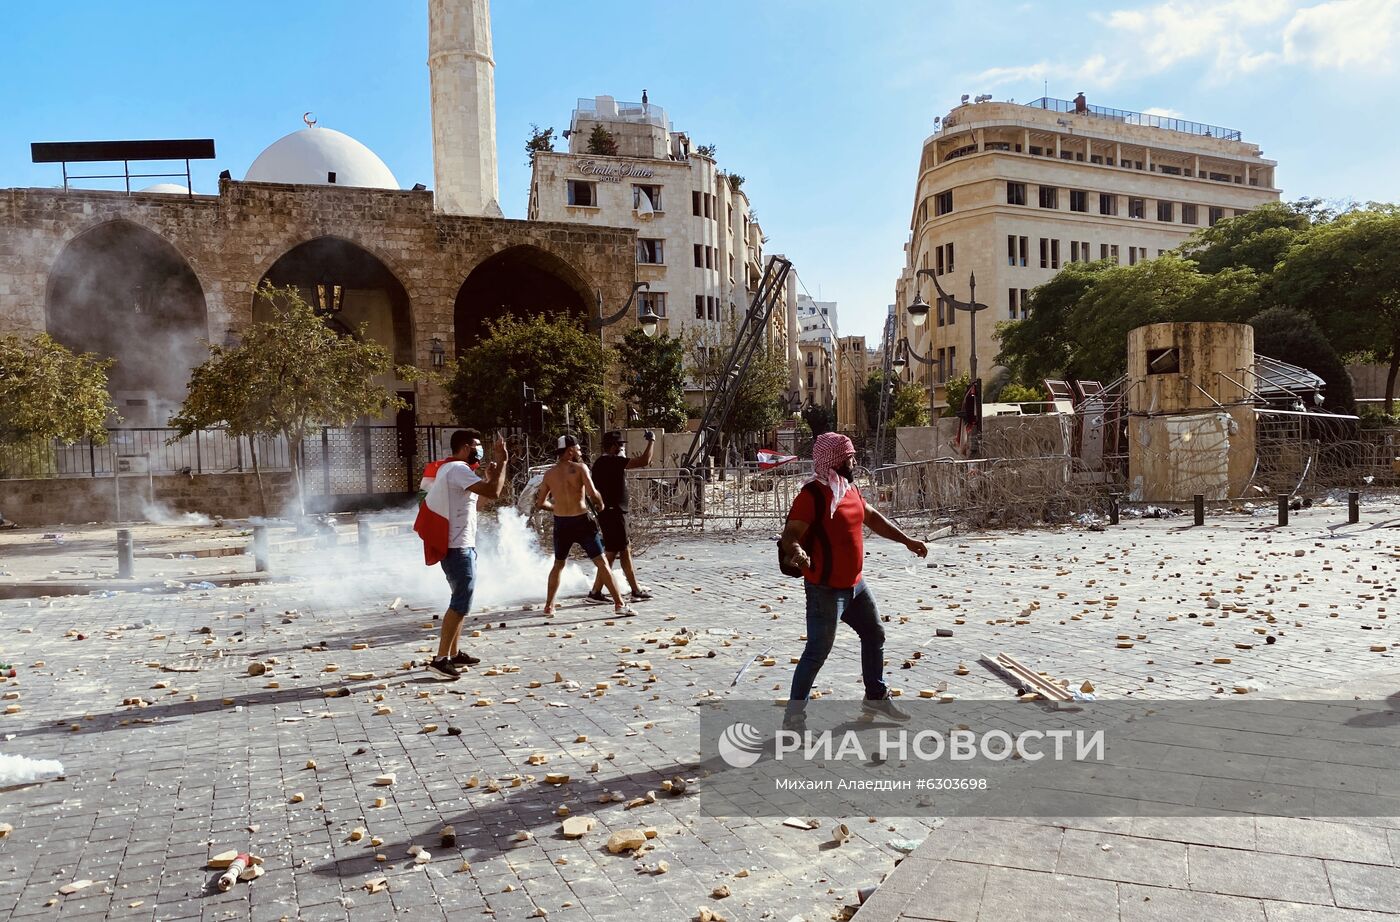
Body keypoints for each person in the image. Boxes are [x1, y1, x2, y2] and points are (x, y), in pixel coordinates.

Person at [777, 432, 927, 730]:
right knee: (817, 652)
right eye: (849, 457)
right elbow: (789, 535)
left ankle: (875, 696)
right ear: (834, 461)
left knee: (874, 634)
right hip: (825, 589)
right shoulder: (812, 496)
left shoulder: (849, 489)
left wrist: (906, 540)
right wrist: (798, 553)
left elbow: (872, 518)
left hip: (855, 586)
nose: (854, 461)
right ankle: (794, 718)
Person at [414, 429, 508, 681]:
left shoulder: (452, 470)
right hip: (457, 547)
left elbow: (477, 503)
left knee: (461, 601)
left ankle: (453, 654)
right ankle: (440, 660)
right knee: (460, 603)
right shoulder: (457, 469)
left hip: (461, 544)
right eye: (477, 445)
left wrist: (490, 478)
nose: (480, 450)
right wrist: (503, 463)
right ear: (465, 447)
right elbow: (495, 492)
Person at [535, 435, 634, 617]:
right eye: (578, 448)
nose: (581, 451)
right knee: (602, 563)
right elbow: (592, 493)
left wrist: (557, 507)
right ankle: (619, 604)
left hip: (561, 523)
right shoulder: (580, 468)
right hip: (581, 521)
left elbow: (540, 503)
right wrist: (600, 504)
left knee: (558, 564)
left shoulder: (549, 474)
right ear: (570, 450)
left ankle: (549, 606)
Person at [586, 429, 655, 604]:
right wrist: (651, 441)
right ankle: (596, 592)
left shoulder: (602, 462)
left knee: (624, 550)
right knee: (611, 553)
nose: (621, 449)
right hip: (614, 513)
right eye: (620, 445)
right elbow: (644, 461)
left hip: (611, 512)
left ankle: (634, 589)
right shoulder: (610, 461)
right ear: (614, 446)